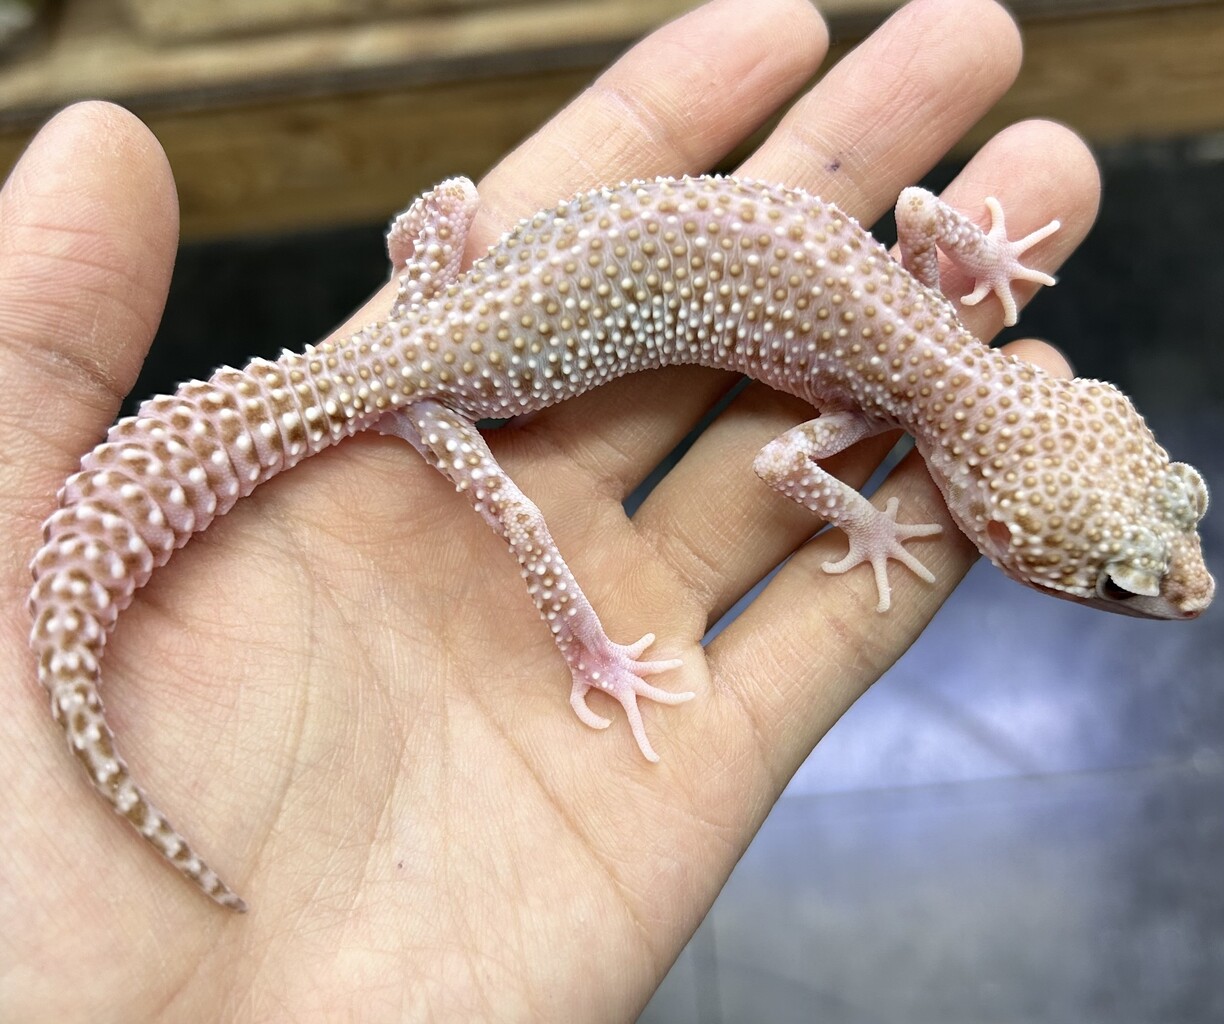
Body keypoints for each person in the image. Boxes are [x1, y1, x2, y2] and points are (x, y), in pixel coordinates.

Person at [2, 0, 1096, 1017]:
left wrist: (972, 261)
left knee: (450, 206)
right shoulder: (888, 385)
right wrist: (860, 519)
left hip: (434, 309)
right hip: (440, 384)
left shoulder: (918, 312)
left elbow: (918, 212)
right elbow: (782, 460)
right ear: (995, 518)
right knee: (524, 520)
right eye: (1108, 581)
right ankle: (588, 653)